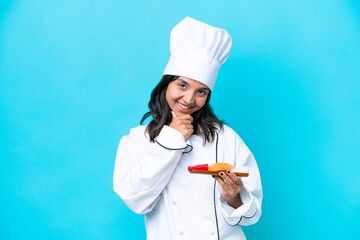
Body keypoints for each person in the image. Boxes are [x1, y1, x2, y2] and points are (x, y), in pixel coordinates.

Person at [113, 16, 263, 240]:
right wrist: (172, 138)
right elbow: (136, 201)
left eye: (201, 91)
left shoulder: (226, 138)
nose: (189, 99)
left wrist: (233, 196)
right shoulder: (137, 141)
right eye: (182, 85)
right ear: (166, 85)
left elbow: (251, 216)